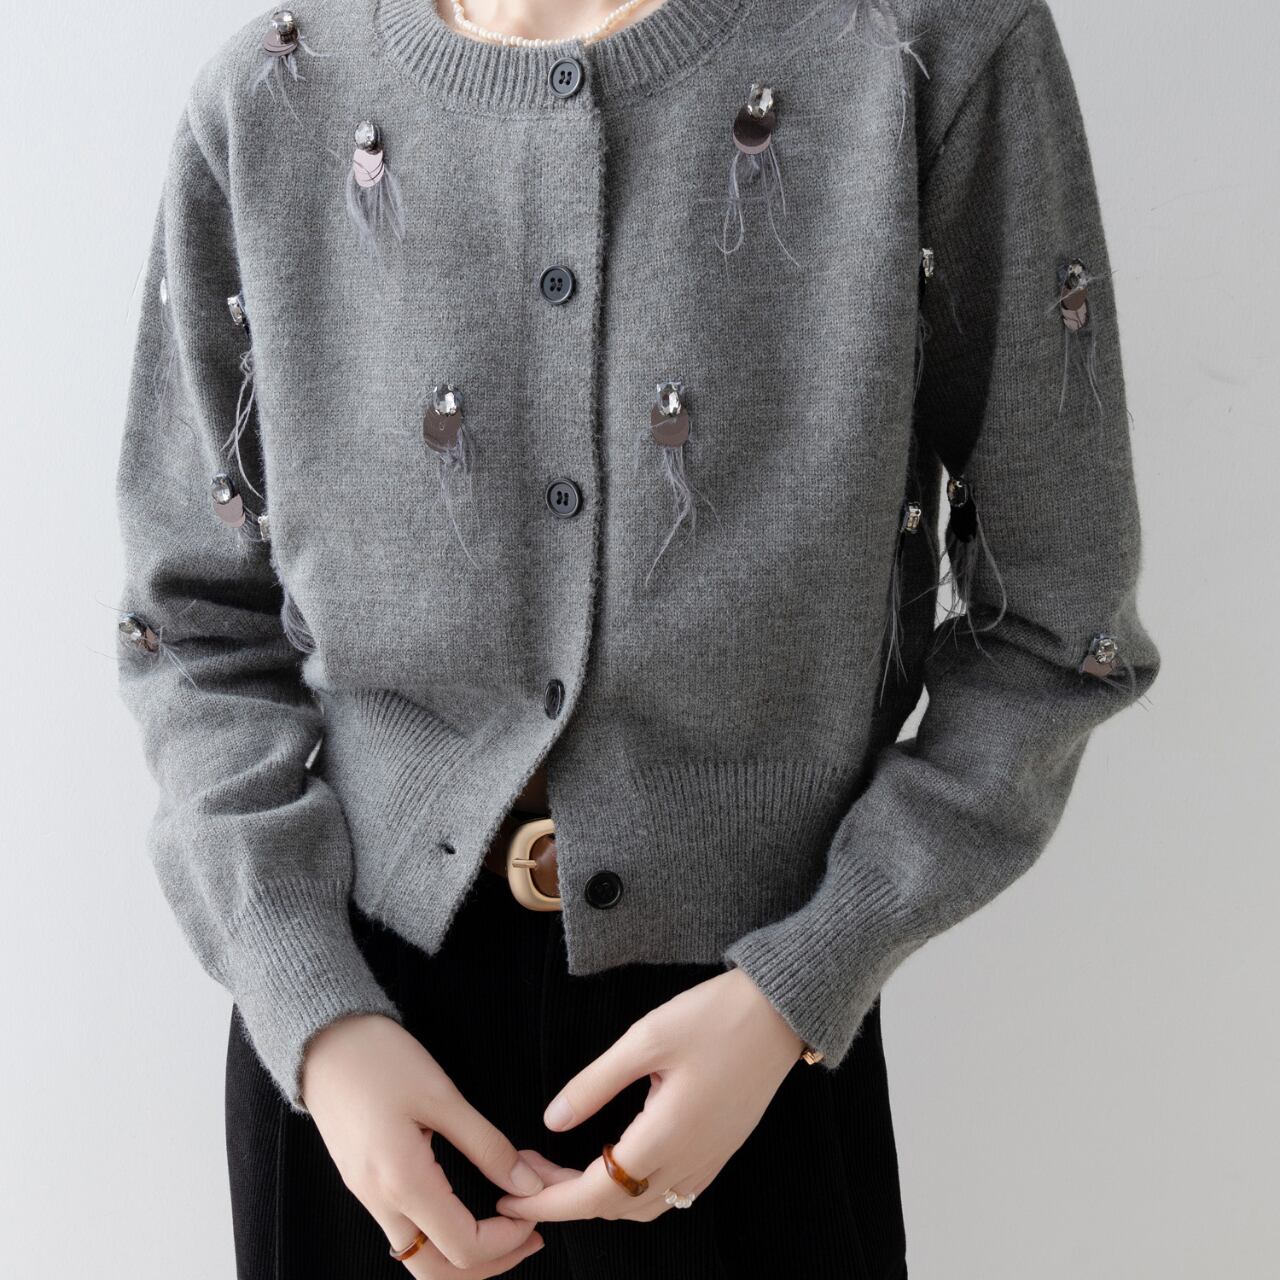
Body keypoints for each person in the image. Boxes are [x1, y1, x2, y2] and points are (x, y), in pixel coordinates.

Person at [113, 0, 1159, 1275]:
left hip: (758, 1049)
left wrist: (802, 977)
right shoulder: (272, 93)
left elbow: (1057, 624)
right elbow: (189, 624)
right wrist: (311, 1011)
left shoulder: (924, 47)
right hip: (355, 1058)